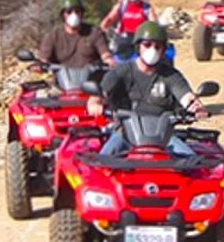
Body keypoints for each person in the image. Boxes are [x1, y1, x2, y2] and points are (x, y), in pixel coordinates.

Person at [87, 22, 208, 156]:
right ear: (138, 46)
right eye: (147, 45)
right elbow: (103, 90)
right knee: (102, 163)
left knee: (193, 164)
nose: (153, 50)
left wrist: (195, 106)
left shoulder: (170, 75)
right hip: (125, 134)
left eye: (158, 46)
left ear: (163, 50)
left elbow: (185, 95)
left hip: (165, 138)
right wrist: (95, 101)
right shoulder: (121, 71)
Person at [39, 0, 115, 68]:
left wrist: (109, 61)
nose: (74, 15)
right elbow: (44, 60)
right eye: (69, 12)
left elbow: (105, 55)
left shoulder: (95, 32)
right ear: (63, 15)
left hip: (91, 78)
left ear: (82, 13)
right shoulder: (53, 36)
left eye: (77, 11)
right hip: (61, 79)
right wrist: (39, 67)